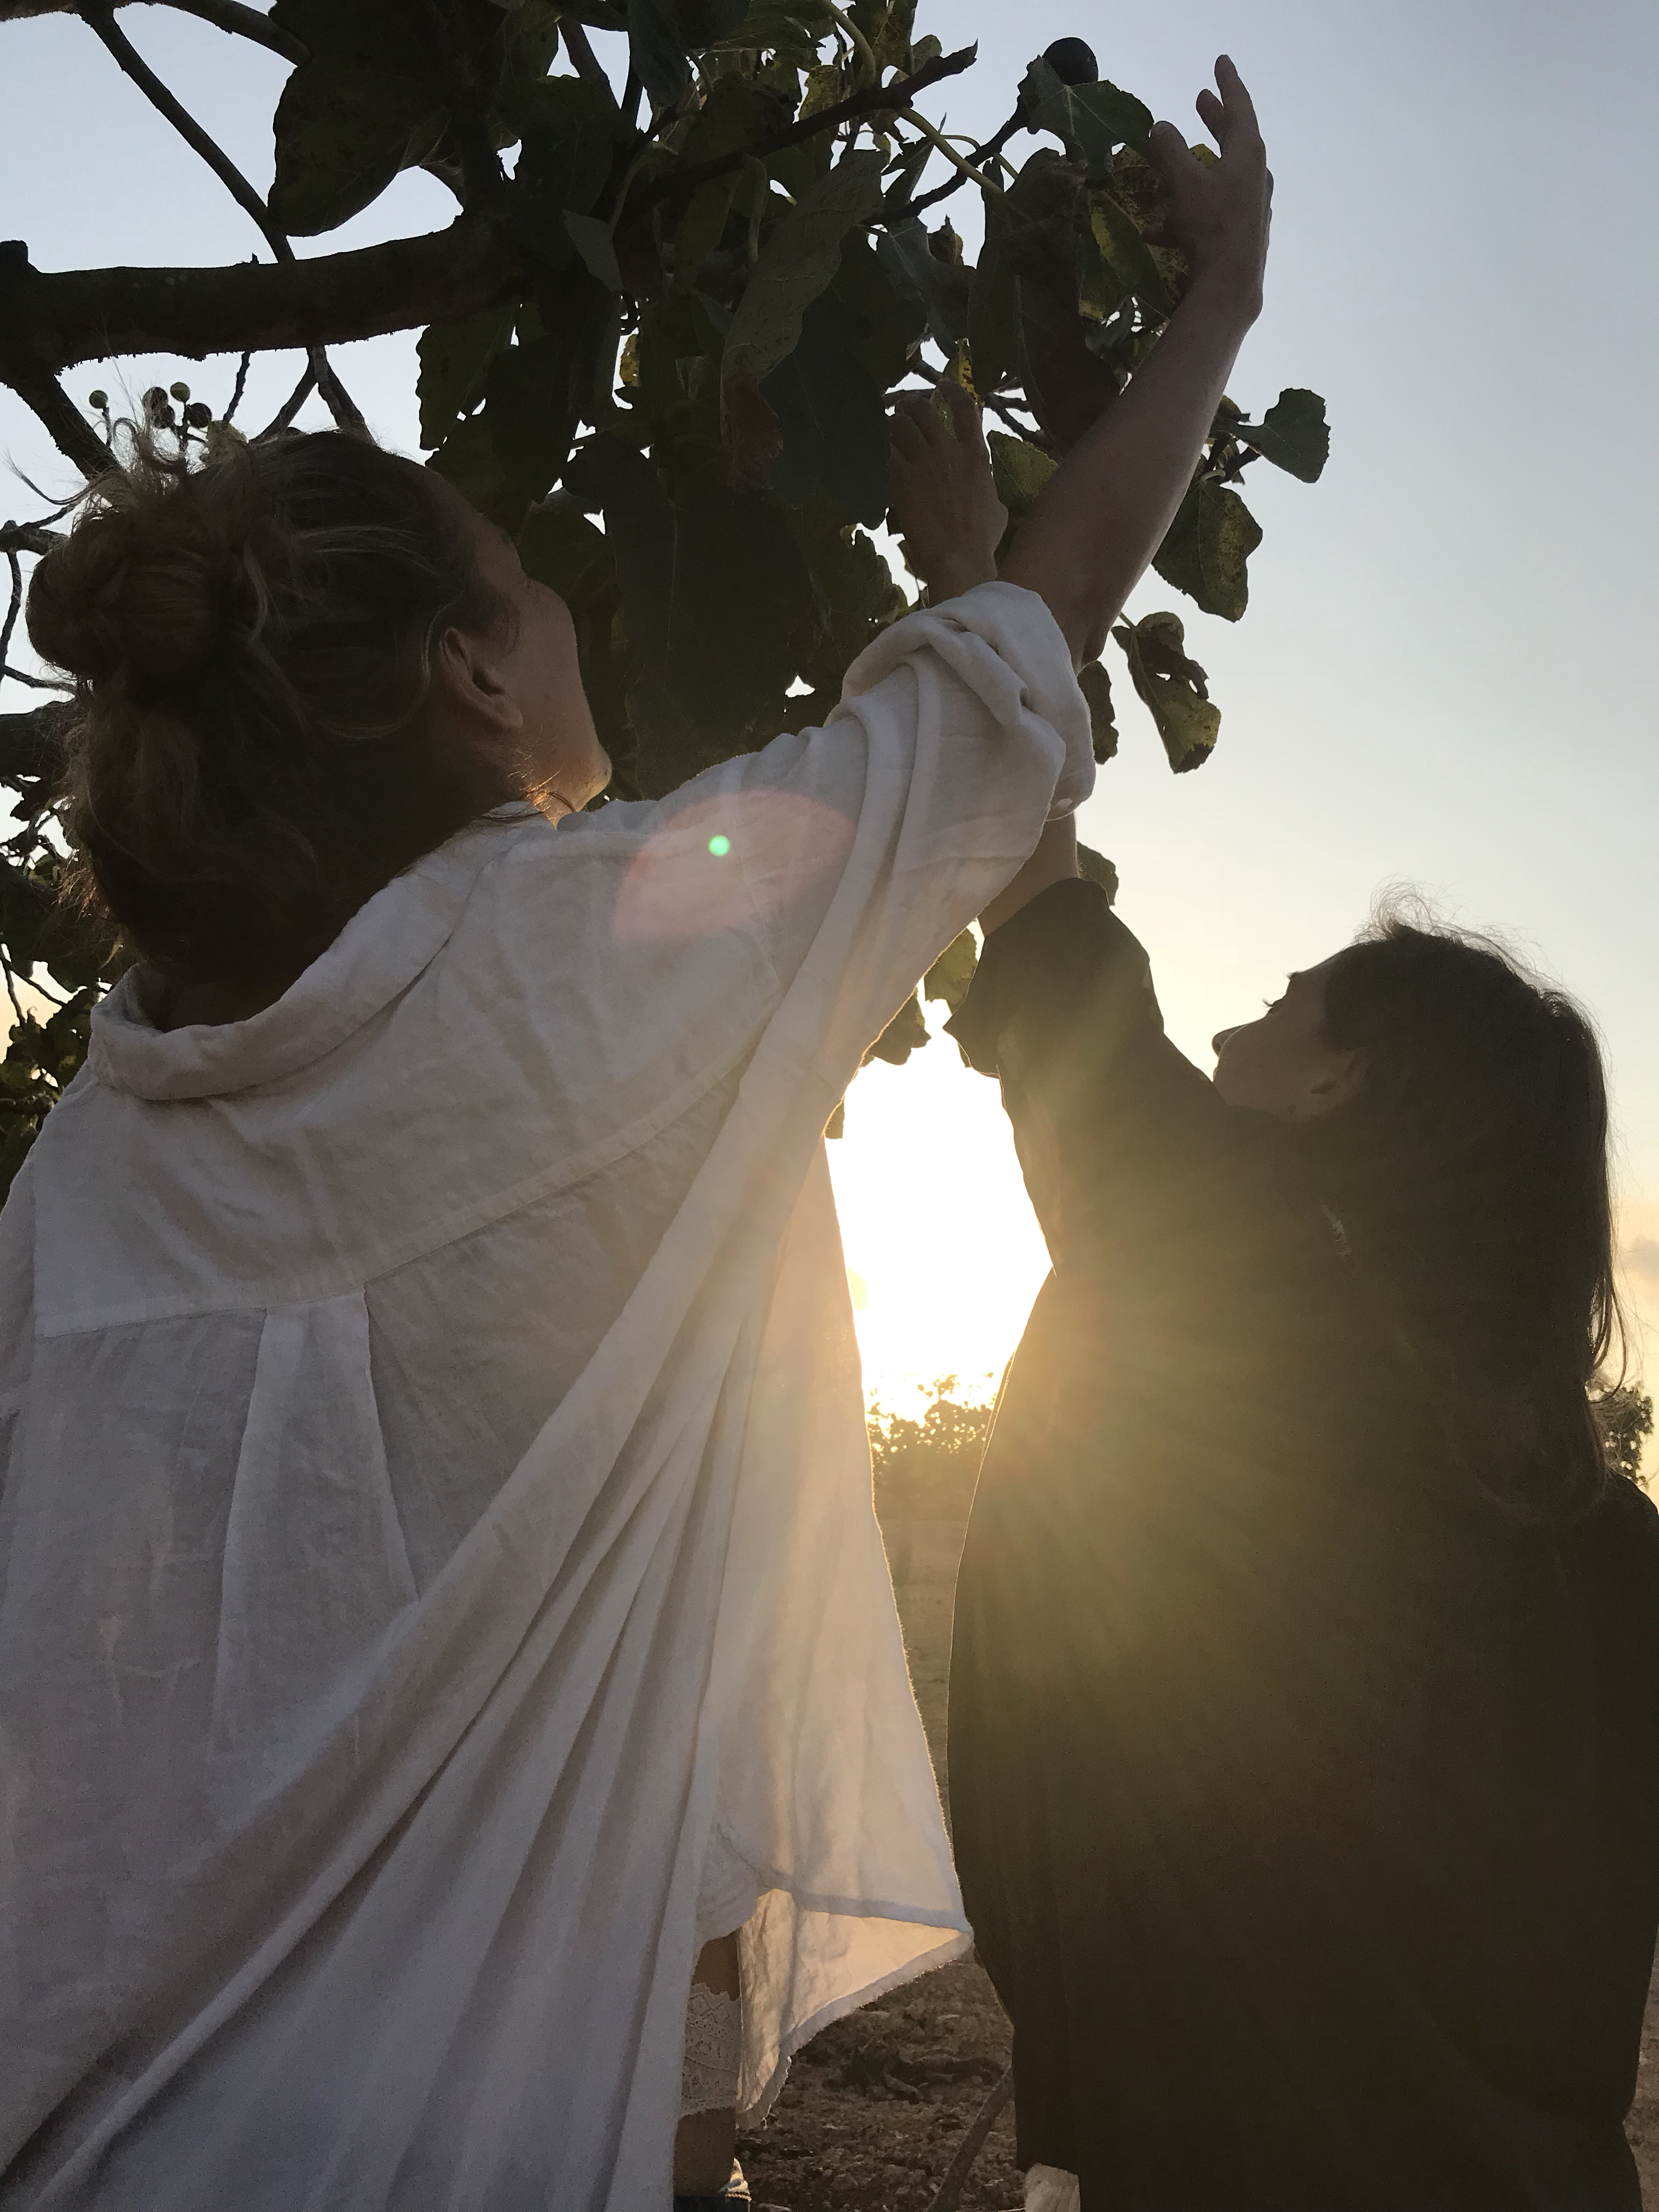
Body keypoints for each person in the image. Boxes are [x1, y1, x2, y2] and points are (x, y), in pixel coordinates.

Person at [0, 58, 1274, 2212]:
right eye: (523, 578)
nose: (569, 605)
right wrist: (1216, 312)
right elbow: (1008, 665)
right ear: (472, 681)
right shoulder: (611, 969)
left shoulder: (89, 1162)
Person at [938, 849, 1659, 2192]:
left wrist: (1033, 724)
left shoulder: (1234, 1279)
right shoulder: (1619, 1551)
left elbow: (1062, 974)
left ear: (1342, 1078)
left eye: (1281, 1005)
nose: (1228, 1031)